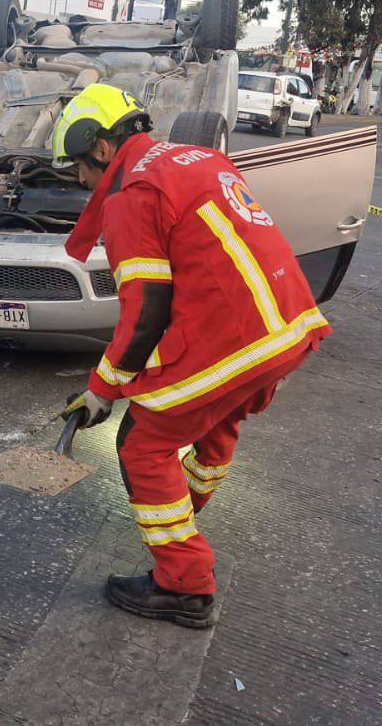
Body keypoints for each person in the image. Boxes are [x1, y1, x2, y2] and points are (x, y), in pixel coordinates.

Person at [54, 83, 331, 629]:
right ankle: (181, 510)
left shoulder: (132, 194)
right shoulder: (198, 158)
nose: (80, 181)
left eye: (78, 168)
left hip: (237, 337)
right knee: (215, 417)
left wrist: (102, 391)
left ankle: (184, 584)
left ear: (102, 149)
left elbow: (146, 312)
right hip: (288, 326)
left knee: (141, 441)